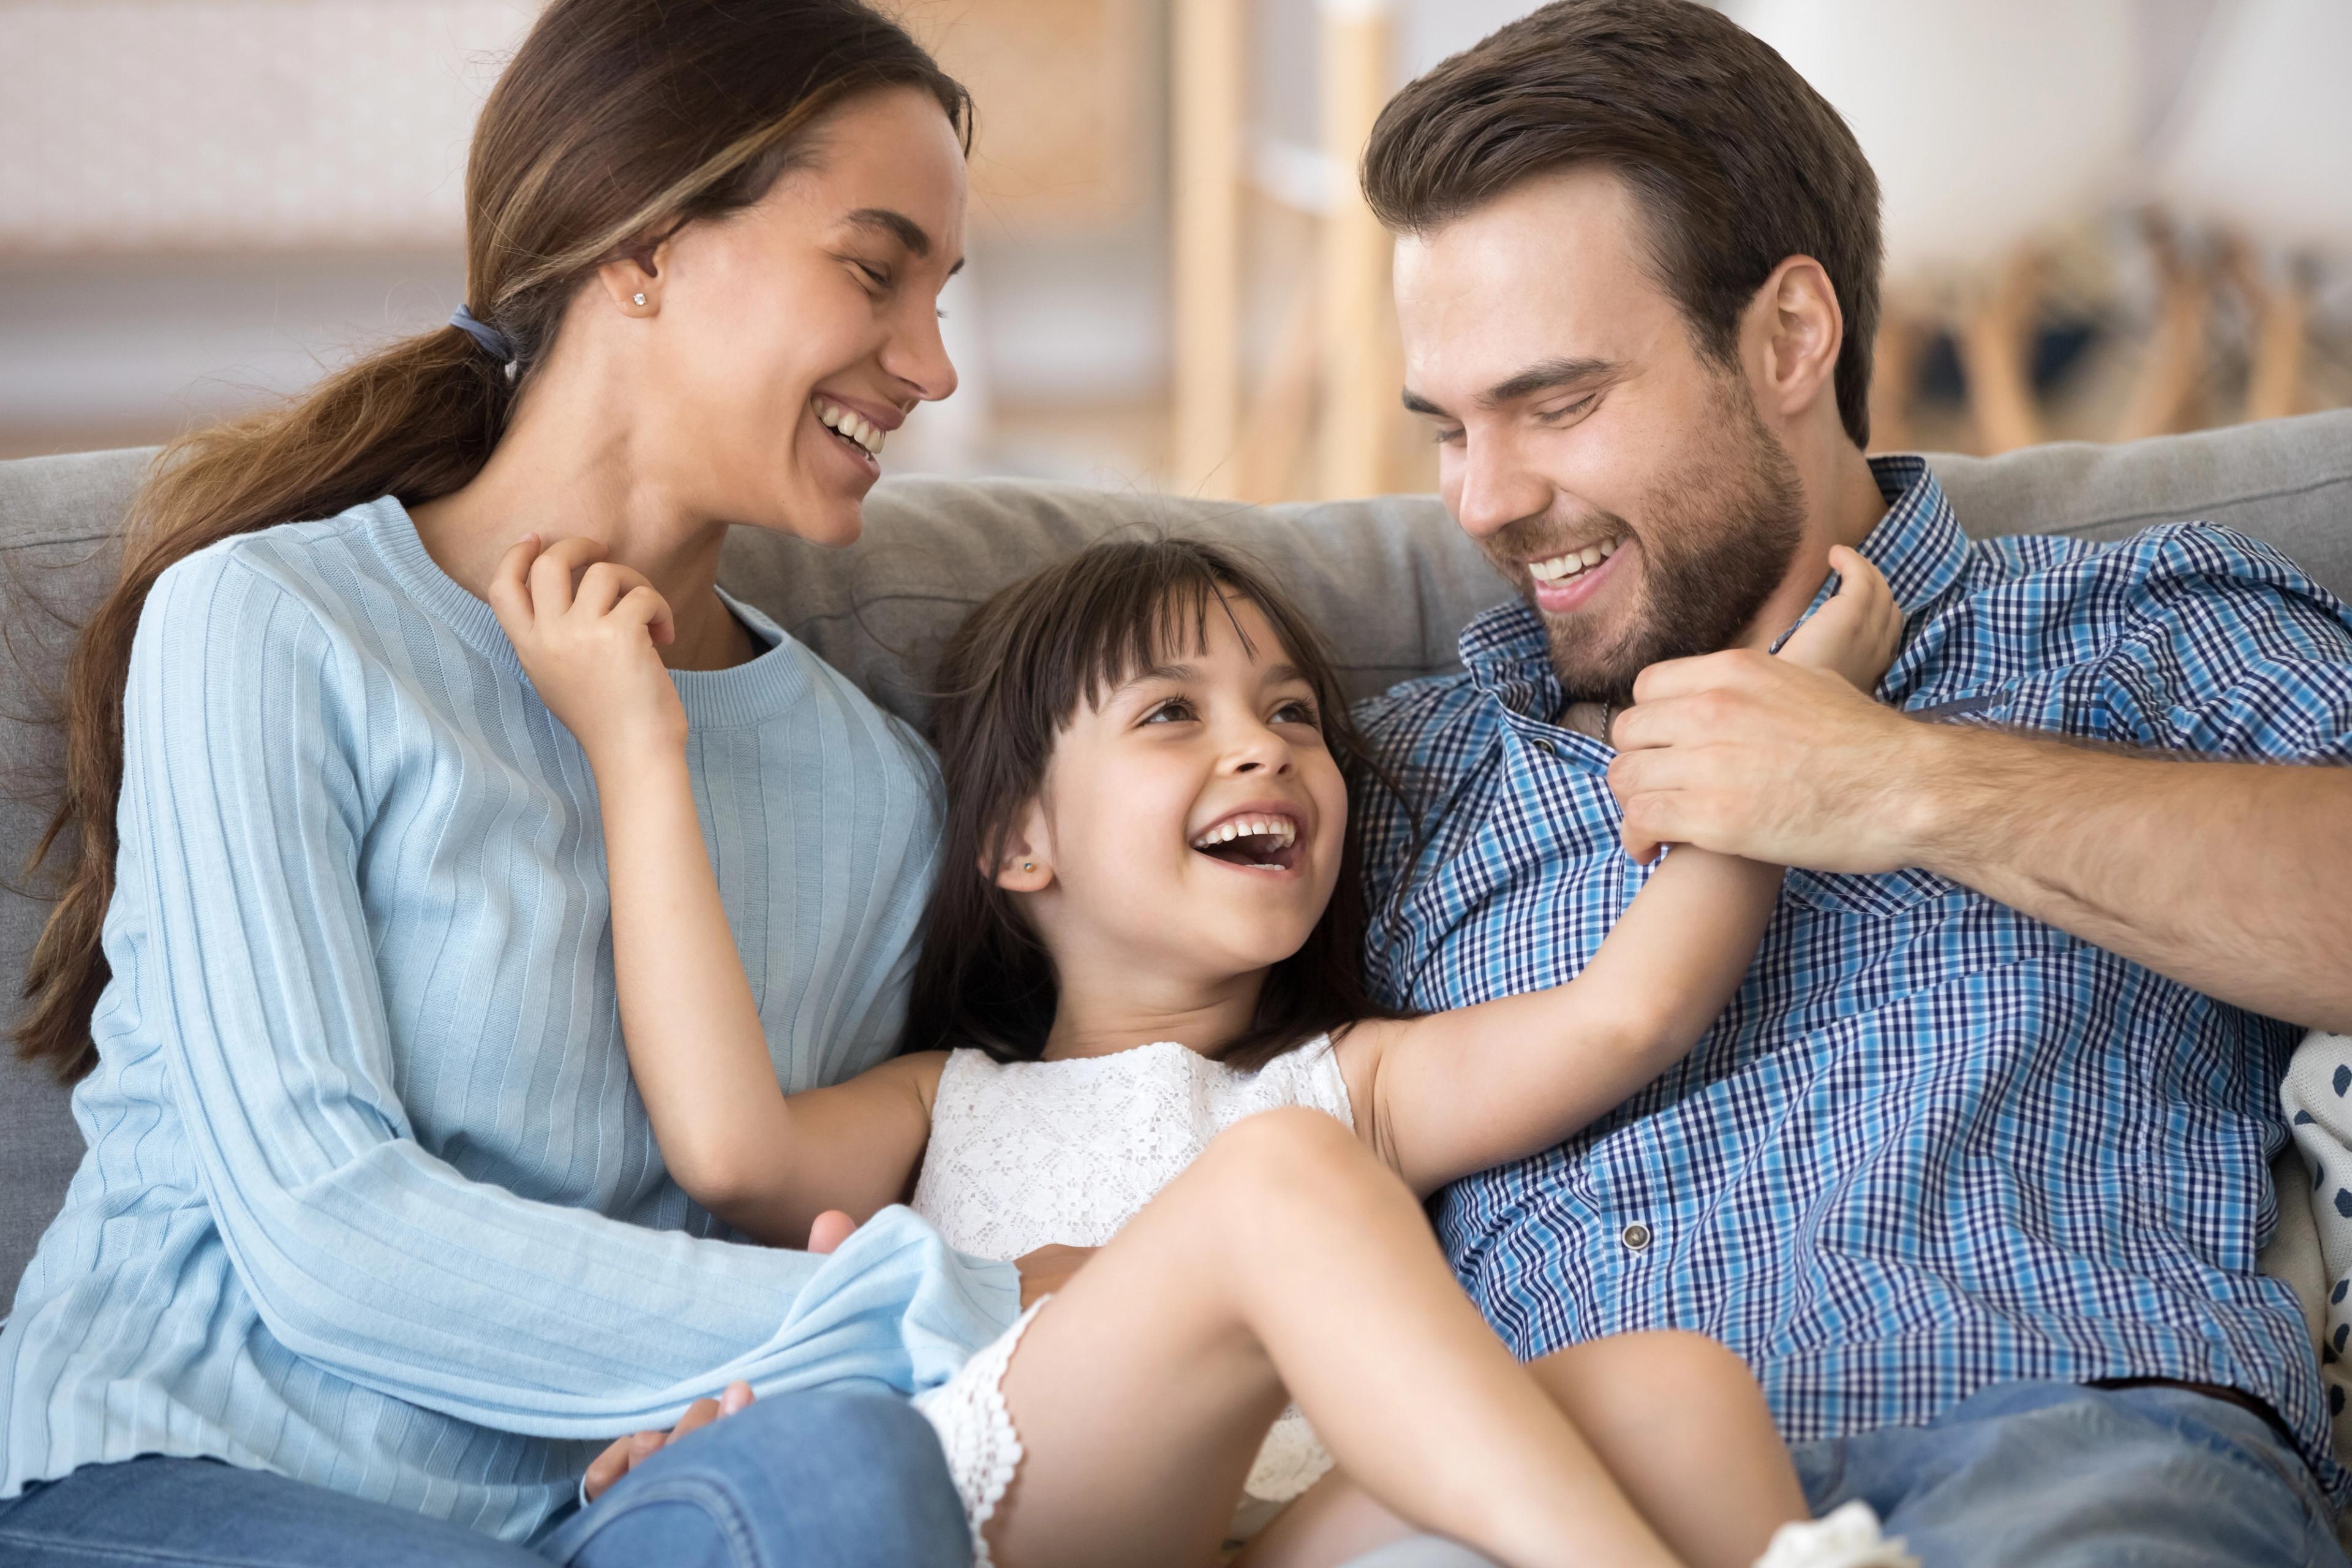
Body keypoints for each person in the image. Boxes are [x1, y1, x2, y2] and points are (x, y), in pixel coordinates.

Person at [0, 2, 1062, 1562]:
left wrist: (731, 1396)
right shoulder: (274, 625)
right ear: (639, 244)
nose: (932, 365)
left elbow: (732, 1229)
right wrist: (948, 1311)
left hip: (585, 1519)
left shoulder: (881, 791)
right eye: (873, 267)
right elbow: (323, 1231)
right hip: (181, 1471)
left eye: (943, 294)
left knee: (844, 1477)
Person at [1348, 4, 2352, 1565]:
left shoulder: (2133, 634)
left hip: (2062, 1451)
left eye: (1556, 404)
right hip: (1564, 1501)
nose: (1488, 499)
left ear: (1791, 339)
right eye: (1450, 429)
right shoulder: (1405, 776)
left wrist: (1901, 783)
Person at [489, 525, 1915, 1568]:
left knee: (1670, 1386)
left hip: (1273, 1540)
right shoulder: (950, 1100)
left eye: (1294, 712)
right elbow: (732, 1149)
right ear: (1017, 840)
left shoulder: (1354, 1081)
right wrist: (637, 746)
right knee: (1274, 1179)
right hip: (1035, 1518)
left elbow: (1631, 1010)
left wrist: (1795, 731)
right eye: (1172, 712)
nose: (1267, 749)